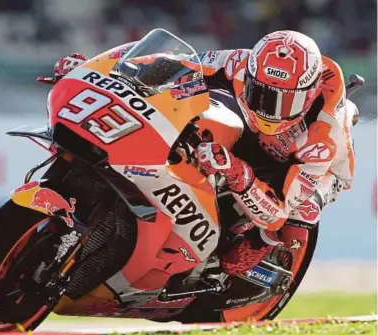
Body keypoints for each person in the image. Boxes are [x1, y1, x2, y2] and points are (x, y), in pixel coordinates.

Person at [43, 30, 358, 279]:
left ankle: (260, 246)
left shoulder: (323, 136)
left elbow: (276, 209)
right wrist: (98, 72)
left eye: (280, 102)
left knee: (293, 219)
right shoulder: (237, 62)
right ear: (249, 74)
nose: (267, 107)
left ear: (307, 95)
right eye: (258, 92)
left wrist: (237, 173)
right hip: (250, 133)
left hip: (315, 168)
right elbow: (168, 63)